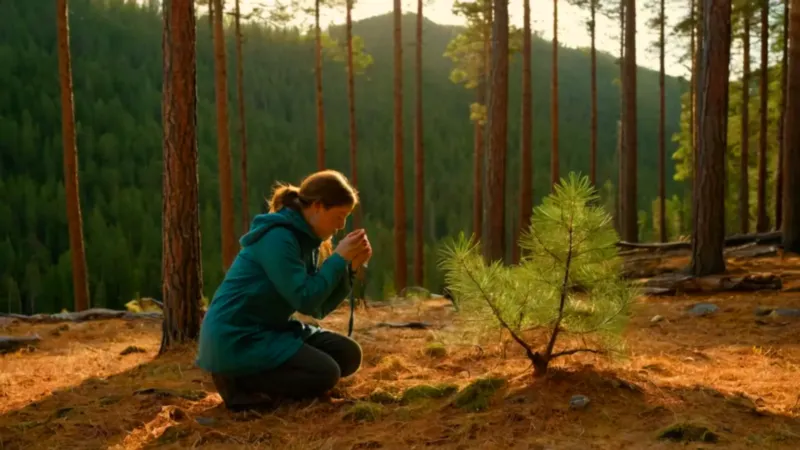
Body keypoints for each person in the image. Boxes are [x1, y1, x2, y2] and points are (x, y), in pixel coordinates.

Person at [196, 170, 372, 411]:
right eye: (339, 216)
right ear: (318, 206)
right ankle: (238, 383)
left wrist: (349, 269)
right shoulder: (279, 238)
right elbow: (304, 298)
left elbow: (318, 307)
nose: (341, 226)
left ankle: (260, 378)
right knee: (326, 373)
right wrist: (337, 258)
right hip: (237, 338)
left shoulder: (306, 239)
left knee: (349, 355)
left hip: (269, 330)